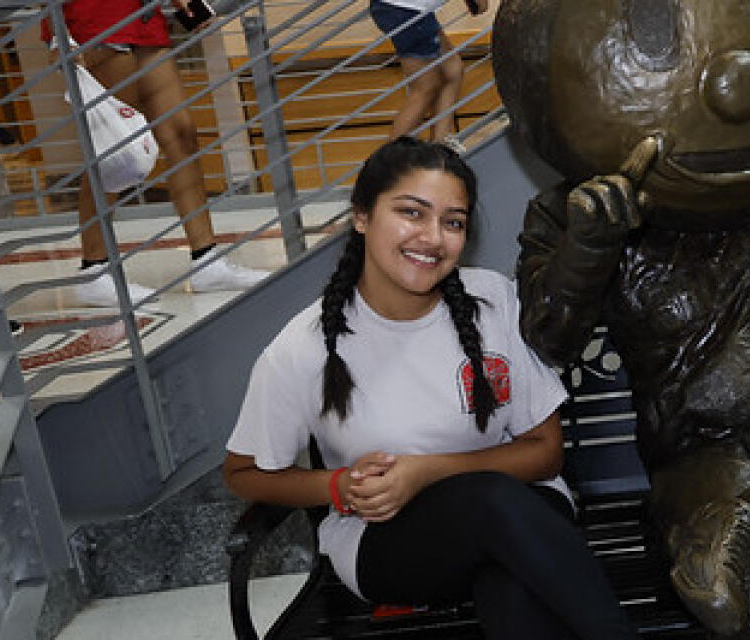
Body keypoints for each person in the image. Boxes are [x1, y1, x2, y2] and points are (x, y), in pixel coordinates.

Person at [222, 137, 635, 639]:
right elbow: (244, 473)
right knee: (492, 510)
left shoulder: (494, 301)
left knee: (508, 575)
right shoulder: (302, 348)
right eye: (412, 213)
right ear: (361, 216)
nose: (433, 238)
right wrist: (336, 486)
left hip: (524, 514)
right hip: (389, 545)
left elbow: (545, 454)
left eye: (453, 222)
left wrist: (426, 472)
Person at [49, 0, 270, 307]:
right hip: (94, 18)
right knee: (115, 146)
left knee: (181, 133)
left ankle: (206, 261)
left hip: (141, 15)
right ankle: (93, 269)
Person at [368, 0, 482, 143]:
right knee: (425, 88)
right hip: (407, 9)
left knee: (452, 69)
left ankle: (441, 146)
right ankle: (392, 162)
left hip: (404, 9)